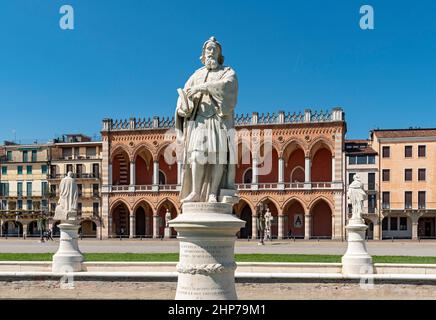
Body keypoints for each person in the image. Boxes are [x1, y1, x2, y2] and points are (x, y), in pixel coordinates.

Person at [176, 36, 238, 203]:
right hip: (199, 121)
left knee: (217, 157)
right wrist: (184, 106)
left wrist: (203, 87)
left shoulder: (227, 72)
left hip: (218, 120)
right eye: (208, 49)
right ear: (203, 54)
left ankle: (212, 193)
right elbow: (183, 97)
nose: (210, 52)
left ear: (219, 54)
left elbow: (228, 88)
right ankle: (196, 192)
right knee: (197, 156)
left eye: (214, 49)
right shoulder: (196, 75)